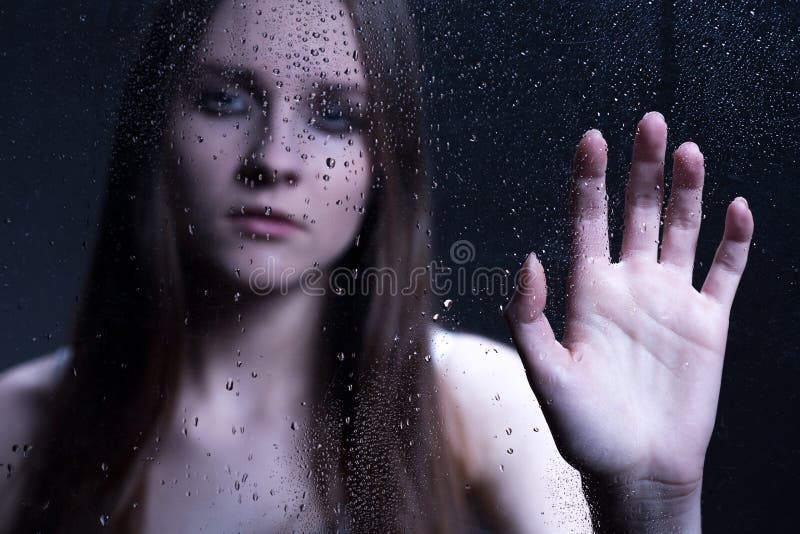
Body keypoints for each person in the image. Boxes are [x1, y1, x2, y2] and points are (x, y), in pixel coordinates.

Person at [0, 0, 754, 532]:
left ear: (383, 160)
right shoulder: (16, 428)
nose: (275, 160)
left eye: (335, 116)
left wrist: (653, 504)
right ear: (157, 122)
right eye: (226, 100)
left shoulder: (476, 405)